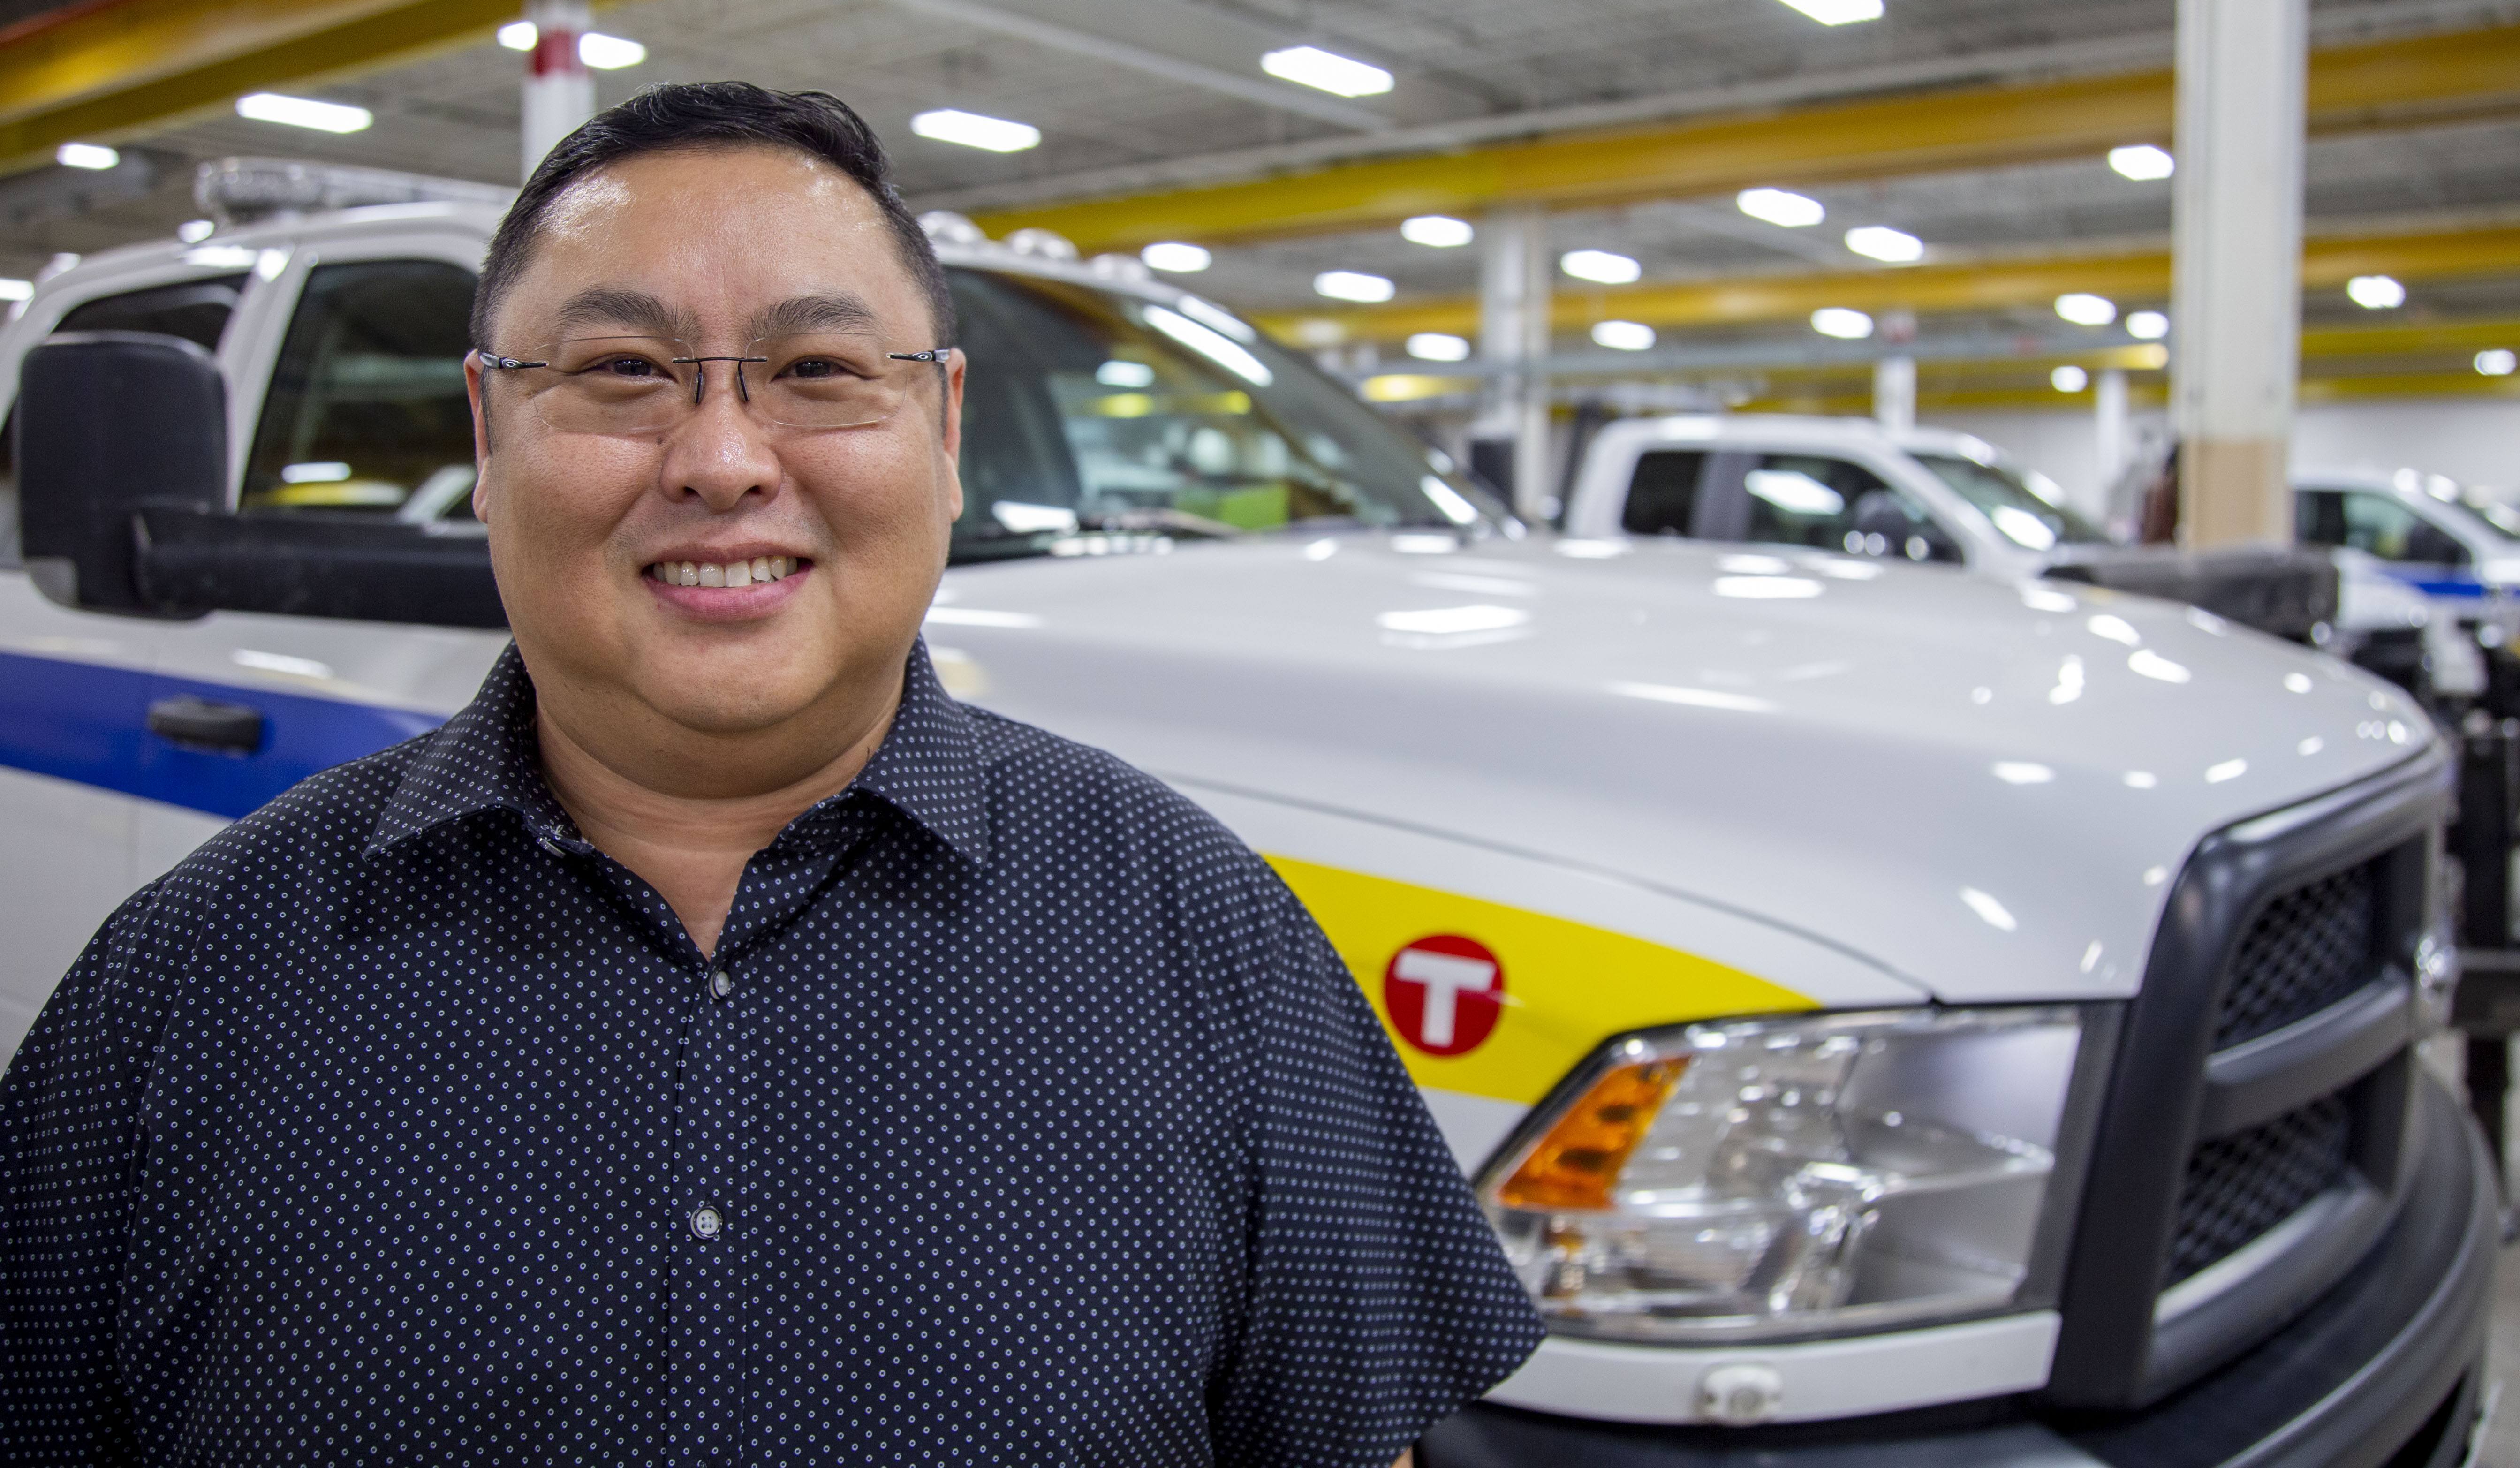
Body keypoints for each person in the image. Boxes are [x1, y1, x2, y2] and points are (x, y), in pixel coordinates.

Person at [0, 83, 1544, 1464]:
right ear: (489, 428)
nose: (724, 458)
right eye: (619, 369)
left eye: (816, 365)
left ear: (941, 430)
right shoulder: (182, 985)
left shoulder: (1206, 938)